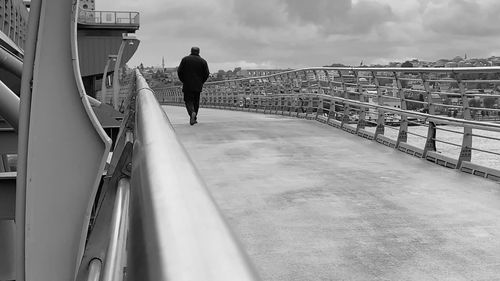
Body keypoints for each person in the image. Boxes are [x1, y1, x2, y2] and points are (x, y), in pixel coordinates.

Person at [177, 47, 210, 125]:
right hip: (198, 85)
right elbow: (207, 73)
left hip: (187, 84)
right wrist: (202, 81)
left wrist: (183, 80)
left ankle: (192, 113)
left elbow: (179, 71)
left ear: (191, 51)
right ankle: (194, 118)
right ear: (199, 52)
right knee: (196, 102)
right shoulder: (203, 61)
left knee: (188, 101)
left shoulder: (185, 59)